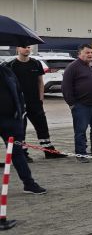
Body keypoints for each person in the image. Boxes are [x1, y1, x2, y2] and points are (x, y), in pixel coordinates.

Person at [10, 45, 66, 159]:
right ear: (18, 49)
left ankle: (49, 150)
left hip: (35, 101)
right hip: (19, 103)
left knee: (42, 126)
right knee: (20, 128)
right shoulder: (11, 65)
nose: (27, 49)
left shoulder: (36, 63)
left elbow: (40, 81)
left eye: (28, 47)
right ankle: (22, 153)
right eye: (24, 47)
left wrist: (41, 98)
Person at [0, 59, 46, 194]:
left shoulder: (7, 72)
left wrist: (20, 113)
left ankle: (29, 184)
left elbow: (19, 93)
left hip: (10, 120)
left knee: (17, 153)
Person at [61, 44, 92, 163]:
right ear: (80, 53)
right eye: (87, 52)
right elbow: (66, 87)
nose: (90, 55)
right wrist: (72, 104)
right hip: (81, 106)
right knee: (80, 131)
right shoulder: (73, 67)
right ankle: (81, 153)